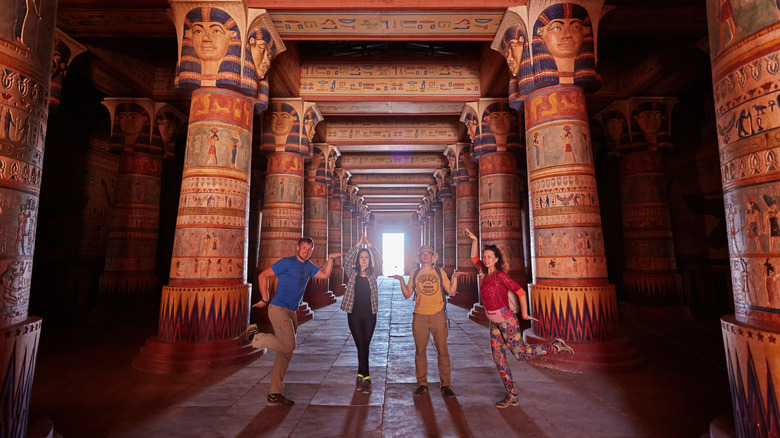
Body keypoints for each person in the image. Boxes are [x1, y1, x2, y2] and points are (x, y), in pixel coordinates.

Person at [464, 228, 573, 408]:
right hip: (494, 323)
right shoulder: (484, 273)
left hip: (507, 321)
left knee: (520, 355)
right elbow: (474, 258)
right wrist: (475, 239)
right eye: (485, 256)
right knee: (499, 359)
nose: (486, 259)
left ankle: (555, 346)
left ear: (497, 259)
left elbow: (521, 292)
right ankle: (511, 395)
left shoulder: (500, 276)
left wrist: (524, 314)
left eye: (490, 256)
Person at [238, 237, 344, 406]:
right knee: (289, 345)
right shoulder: (287, 262)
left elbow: (324, 274)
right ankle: (254, 337)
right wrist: (265, 298)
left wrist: (330, 259)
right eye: (304, 248)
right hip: (278, 309)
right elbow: (263, 275)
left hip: (292, 312)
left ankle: (274, 394)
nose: (307, 252)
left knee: (285, 354)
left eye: (310, 249)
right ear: (297, 248)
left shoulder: (308, 266)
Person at [390, 245, 460, 399]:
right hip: (419, 317)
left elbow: (451, 291)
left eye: (428, 253)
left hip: (438, 316)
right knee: (420, 352)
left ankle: (446, 385)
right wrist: (402, 280)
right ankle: (422, 384)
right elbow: (408, 294)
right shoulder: (415, 274)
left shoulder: (439, 272)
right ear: (420, 257)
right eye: (423, 254)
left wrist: (454, 278)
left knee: (442, 351)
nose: (425, 256)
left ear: (432, 256)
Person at [340, 231, 383, 394]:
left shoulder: (373, 274)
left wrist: (369, 245)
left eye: (366, 257)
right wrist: (358, 245)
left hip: (370, 314)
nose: (364, 259)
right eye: (361, 257)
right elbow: (346, 261)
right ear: (358, 260)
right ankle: (366, 378)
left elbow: (379, 260)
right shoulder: (352, 274)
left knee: (365, 345)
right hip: (354, 315)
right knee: (361, 344)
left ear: (369, 259)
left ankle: (361, 376)